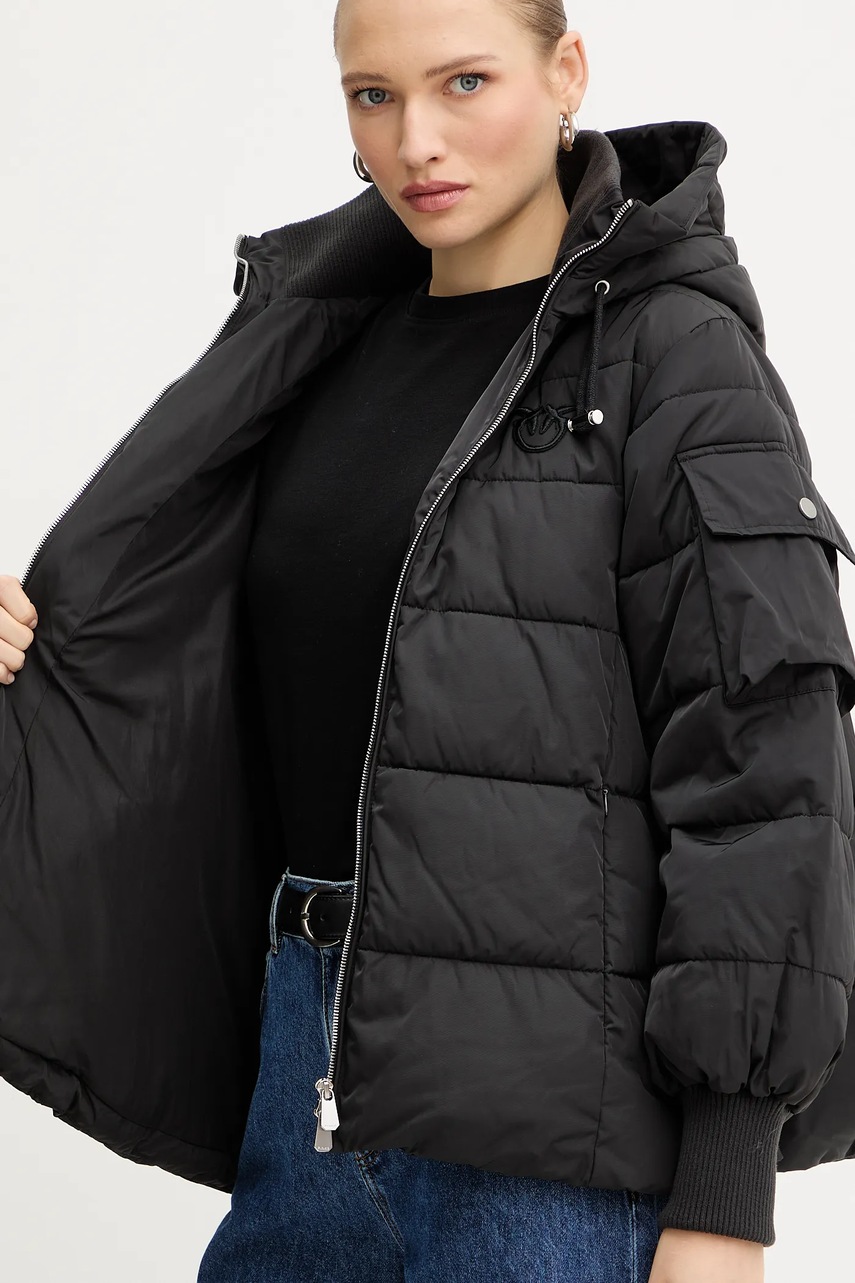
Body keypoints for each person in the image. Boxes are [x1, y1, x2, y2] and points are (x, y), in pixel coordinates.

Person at [2, 0, 855, 1280]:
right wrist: (34, 661)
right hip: (305, 1075)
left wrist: (727, 1188)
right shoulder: (314, 342)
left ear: (566, 72)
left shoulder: (675, 357)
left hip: (554, 1157)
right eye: (374, 95)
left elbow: (766, 766)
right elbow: (205, 690)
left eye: (464, 82)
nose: (416, 141)